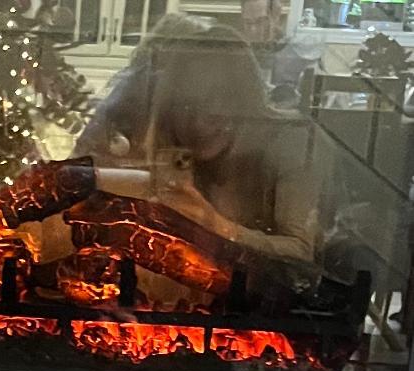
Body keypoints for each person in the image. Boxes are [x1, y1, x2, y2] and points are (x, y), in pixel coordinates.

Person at [75, 16, 319, 264]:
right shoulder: (172, 144)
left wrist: (216, 226)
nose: (199, 122)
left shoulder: (291, 141)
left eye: (218, 101)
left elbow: (303, 258)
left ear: (246, 100)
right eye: (187, 106)